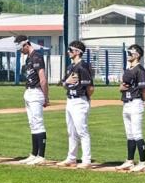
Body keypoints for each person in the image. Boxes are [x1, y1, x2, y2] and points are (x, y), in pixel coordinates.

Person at [57, 40, 95, 168]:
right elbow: (64, 84)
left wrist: (85, 100)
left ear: (77, 52)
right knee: (71, 131)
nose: (68, 52)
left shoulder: (83, 66)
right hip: (70, 100)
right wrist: (66, 82)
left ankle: (86, 160)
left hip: (80, 100)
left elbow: (90, 88)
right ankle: (71, 158)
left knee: (82, 131)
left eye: (70, 50)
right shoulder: (70, 67)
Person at [15, 35, 50, 165]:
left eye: (20, 47)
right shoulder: (28, 59)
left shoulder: (37, 57)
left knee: (38, 122)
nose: (20, 50)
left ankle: (41, 155)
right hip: (29, 91)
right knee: (33, 123)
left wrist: (46, 97)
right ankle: (34, 153)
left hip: (36, 92)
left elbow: (43, 78)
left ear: (26, 44)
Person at [117, 44, 145, 172]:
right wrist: (121, 88)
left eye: (131, 53)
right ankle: (130, 161)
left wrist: (140, 101)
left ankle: (142, 162)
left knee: (137, 133)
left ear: (137, 55)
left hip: (136, 102)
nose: (128, 55)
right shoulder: (128, 69)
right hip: (126, 102)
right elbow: (125, 85)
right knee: (129, 134)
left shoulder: (140, 70)